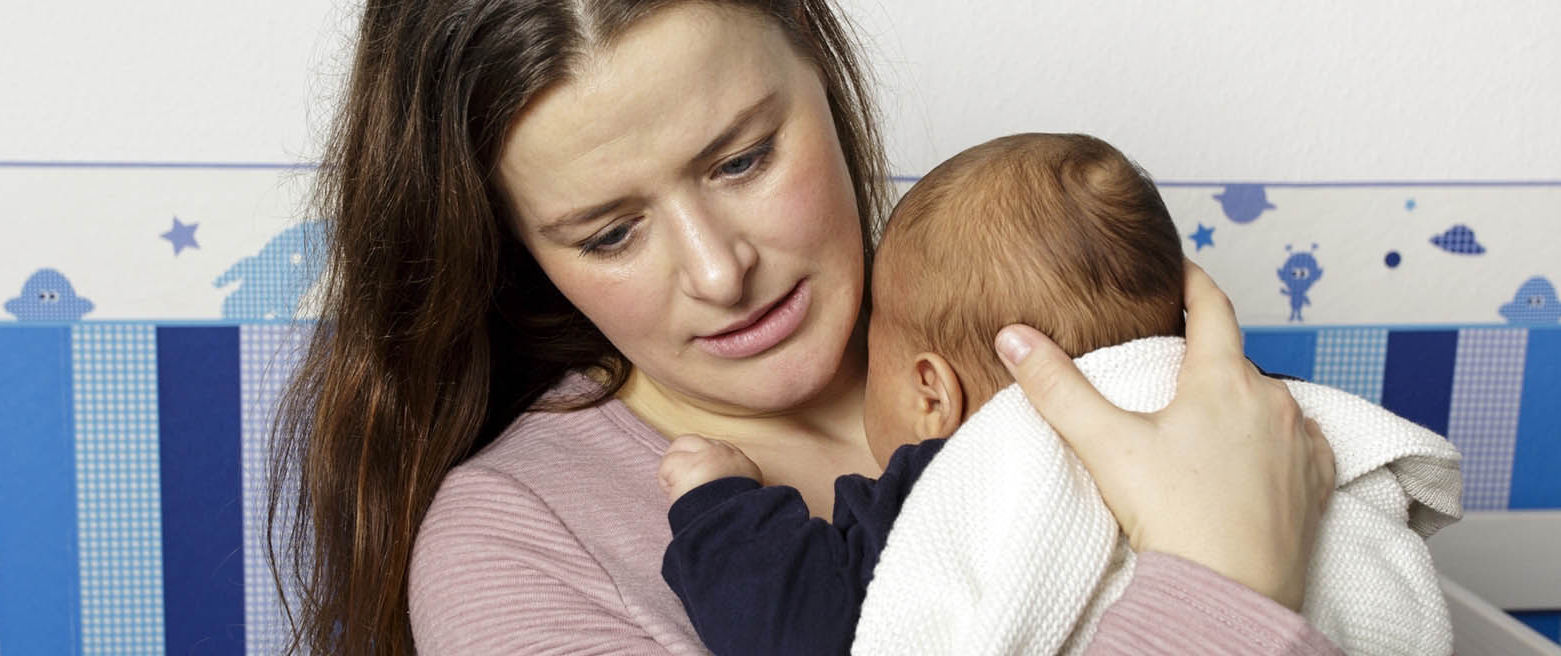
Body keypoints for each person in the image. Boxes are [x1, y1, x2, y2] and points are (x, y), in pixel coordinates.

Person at [268, 2, 1340, 654]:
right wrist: (1224, 578)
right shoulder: (516, 541)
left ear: (818, 68)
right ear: (519, 249)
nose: (719, 269)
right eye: (608, 232)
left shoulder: (1056, 320)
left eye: (742, 160)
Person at [656, 133, 1456, 655]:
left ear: (931, 389)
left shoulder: (952, 482)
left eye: (875, 345)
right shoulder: (1256, 419)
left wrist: (721, 504)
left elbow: (784, 627)